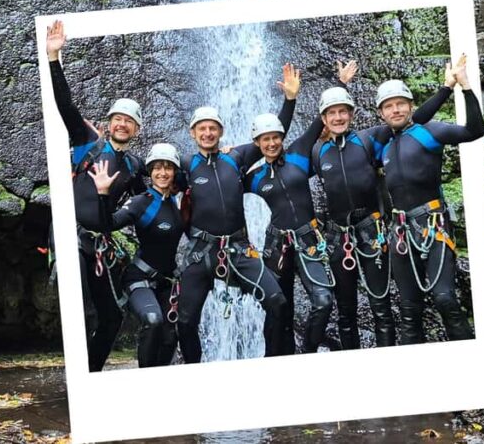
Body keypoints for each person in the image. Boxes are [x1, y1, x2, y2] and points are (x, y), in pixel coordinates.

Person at [313, 61, 459, 349]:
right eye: (332, 113)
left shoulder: (372, 138)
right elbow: (282, 156)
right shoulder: (318, 151)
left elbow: (411, 120)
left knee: (382, 308)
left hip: (374, 232)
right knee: (345, 312)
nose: (338, 117)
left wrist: (449, 87)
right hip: (338, 236)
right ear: (323, 118)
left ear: (354, 114)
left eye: (344, 111)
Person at [175, 65, 300, 362]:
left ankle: (271, 363)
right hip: (201, 252)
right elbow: (155, 176)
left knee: (278, 302)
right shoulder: (184, 164)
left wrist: (290, 100)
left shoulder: (237, 157)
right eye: (201, 128)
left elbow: (273, 135)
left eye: (212, 128)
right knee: (184, 321)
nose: (207, 132)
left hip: (239, 249)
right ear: (193, 133)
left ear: (221, 131)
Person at [46, 20, 146, 372]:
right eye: (117, 119)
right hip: (71, 235)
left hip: (98, 244)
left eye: (129, 122)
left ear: (135, 130)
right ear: (108, 123)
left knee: (112, 317)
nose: (122, 124)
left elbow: (154, 196)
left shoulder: (135, 165)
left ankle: (90, 374)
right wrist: (54, 56)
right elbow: (65, 105)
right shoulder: (88, 142)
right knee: (77, 305)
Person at [376, 54, 484, 344]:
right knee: (409, 308)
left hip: (432, 223)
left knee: (445, 297)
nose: (395, 110)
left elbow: (475, 131)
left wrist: (463, 87)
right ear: (381, 113)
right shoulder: (382, 145)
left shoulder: (430, 133)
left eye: (400, 104)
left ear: (410, 106)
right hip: (400, 230)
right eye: (389, 106)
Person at [245, 65, 335, 354]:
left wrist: (292, 98)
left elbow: (320, 122)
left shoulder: (298, 153)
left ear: (282, 138)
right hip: (276, 245)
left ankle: (306, 352)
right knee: (277, 307)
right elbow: (221, 187)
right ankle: (275, 358)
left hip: (309, 239)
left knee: (323, 301)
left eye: (275, 137)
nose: (271, 143)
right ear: (257, 144)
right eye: (265, 139)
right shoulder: (255, 177)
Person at [89, 143, 183, 368]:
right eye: (157, 168)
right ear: (150, 172)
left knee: (172, 334)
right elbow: (108, 224)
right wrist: (102, 194)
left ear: (174, 172)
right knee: (153, 321)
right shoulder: (142, 201)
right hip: (139, 278)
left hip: (168, 281)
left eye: (168, 168)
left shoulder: (178, 201)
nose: (162, 173)